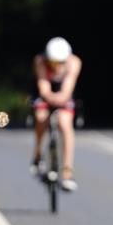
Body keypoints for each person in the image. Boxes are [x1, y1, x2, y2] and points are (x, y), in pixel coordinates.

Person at [31, 37, 82, 191]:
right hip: (47, 95)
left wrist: (61, 98)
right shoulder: (40, 61)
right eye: (53, 63)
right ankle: (38, 154)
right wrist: (49, 97)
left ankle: (67, 171)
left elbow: (68, 88)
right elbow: (43, 86)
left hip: (63, 95)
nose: (57, 67)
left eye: (60, 63)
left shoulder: (74, 62)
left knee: (65, 123)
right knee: (41, 118)